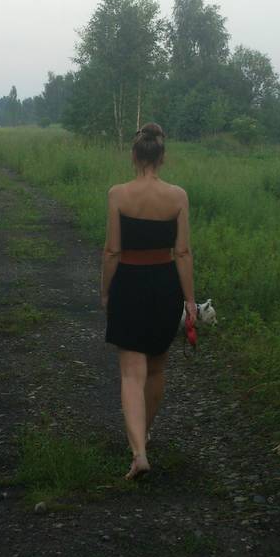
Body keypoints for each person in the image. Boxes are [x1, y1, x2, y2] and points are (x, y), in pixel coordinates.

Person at [101, 122, 197, 480]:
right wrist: (190, 301)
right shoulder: (178, 197)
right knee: (156, 369)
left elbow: (112, 251)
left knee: (131, 373)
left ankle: (138, 452)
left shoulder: (118, 195)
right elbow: (182, 252)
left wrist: (106, 291)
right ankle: (145, 433)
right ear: (162, 158)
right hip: (164, 285)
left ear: (134, 156)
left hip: (129, 282)